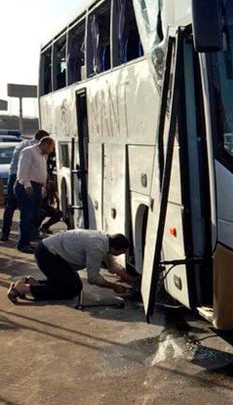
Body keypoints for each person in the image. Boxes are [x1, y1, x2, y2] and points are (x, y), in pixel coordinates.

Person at [7, 231, 135, 304]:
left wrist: (131, 279)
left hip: (54, 254)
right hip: (48, 254)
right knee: (68, 289)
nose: (121, 255)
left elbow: (113, 266)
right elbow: (93, 278)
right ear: (114, 248)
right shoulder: (97, 248)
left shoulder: (104, 240)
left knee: (77, 287)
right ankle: (25, 288)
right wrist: (114, 287)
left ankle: (31, 283)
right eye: (121, 252)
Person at [1, 129, 50, 243]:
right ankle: (29, 236)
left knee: (10, 207)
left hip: (14, 176)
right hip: (25, 179)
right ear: (43, 140)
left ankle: (5, 234)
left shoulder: (22, 144)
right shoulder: (34, 149)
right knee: (29, 211)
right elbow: (26, 169)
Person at [13, 136, 55, 252]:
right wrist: (27, 185)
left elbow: (40, 172)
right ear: (46, 144)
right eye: (51, 147)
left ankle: (30, 238)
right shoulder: (28, 151)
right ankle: (23, 244)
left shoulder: (42, 156)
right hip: (27, 187)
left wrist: (42, 187)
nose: (52, 150)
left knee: (36, 215)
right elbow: (22, 171)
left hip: (37, 187)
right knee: (26, 216)